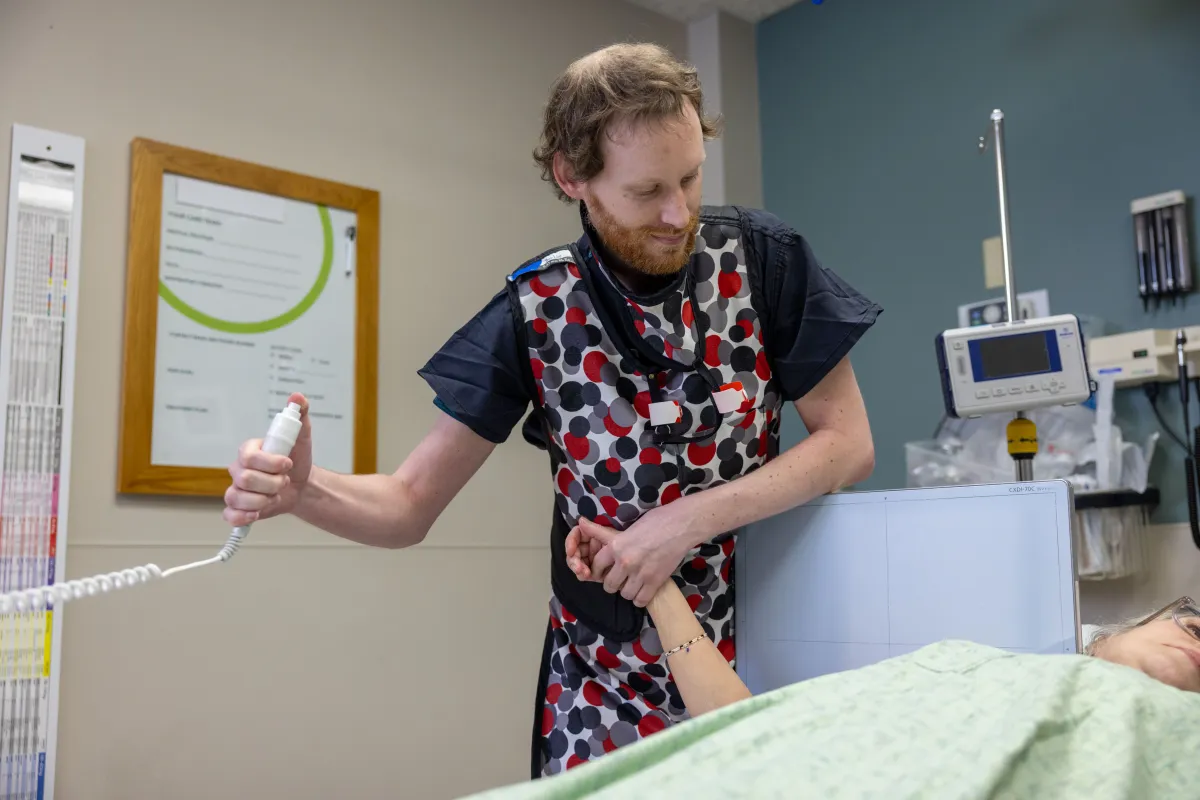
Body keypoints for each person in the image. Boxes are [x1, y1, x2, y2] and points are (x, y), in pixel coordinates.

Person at [222, 42, 883, 777]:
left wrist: (682, 523)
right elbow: (408, 505)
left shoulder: (765, 263)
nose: (678, 213)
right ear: (575, 178)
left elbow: (848, 444)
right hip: (604, 681)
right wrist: (303, 492)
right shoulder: (535, 311)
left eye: (691, 178)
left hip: (770, 629)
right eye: (645, 191)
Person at [568, 518, 1200, 710]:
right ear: (1146, 618)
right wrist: (657, 590)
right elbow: (748, 729)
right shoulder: (978, 665)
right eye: (1195, 625)